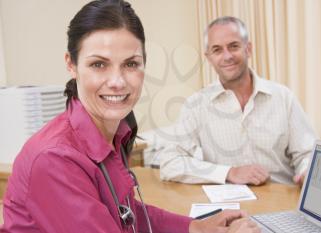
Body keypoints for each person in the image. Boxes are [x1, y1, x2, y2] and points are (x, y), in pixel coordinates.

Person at [0, 2, 260, 233]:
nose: (117, 81)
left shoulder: (111, 133)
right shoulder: (54, 159)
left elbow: (126, 214)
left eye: (130, 64)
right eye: (99, 64)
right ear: (71, 64)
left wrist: (195, 227)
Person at [159, 16, 316, 186]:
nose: (227, 56)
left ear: (248, 49)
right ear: (209, 57)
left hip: (283, 202)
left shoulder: (284, 97)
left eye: (233, 46)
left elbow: (307, 153)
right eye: (217, 50)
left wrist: (306, 172)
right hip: (229, 208)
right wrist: (229, 172)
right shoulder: (196, 104)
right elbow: (170, 163)